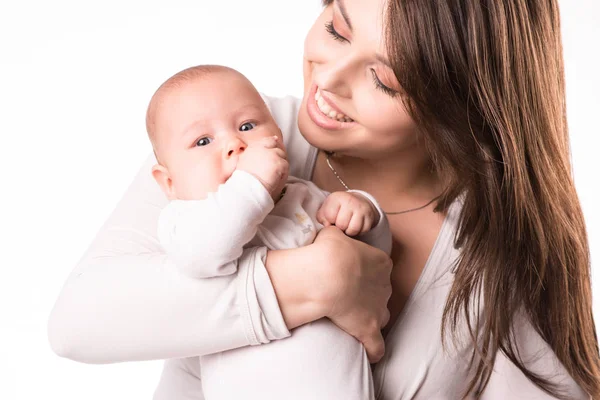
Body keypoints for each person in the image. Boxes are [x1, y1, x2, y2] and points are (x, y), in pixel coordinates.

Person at [47, 0, 600, 398]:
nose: (328, 80)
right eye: (336, 28)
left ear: (460, 104)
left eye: (384, 80)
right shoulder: (231, 140)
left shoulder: (490, 246)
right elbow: (76, 323)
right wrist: (314, 280)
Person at [147, 64, 391, 399]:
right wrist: (253, 185)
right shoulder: (185, 220)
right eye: (203, 140)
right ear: (169, 182)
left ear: (279, 136)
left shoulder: (304, 195)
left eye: (247, 126)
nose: (234, 143)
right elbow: (204, 255)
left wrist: (363, 212)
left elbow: (373, 268)